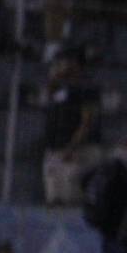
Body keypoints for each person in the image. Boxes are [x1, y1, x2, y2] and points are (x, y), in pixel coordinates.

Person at [41, 48, 102, 205]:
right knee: (53, 200)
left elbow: (87, 121)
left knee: (70, 200)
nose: (59, 66)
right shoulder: (59, 90)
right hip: (55, 150)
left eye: (63, 62)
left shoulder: (86, 88)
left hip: (76, 151)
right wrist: (53, 79)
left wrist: (72, 147)